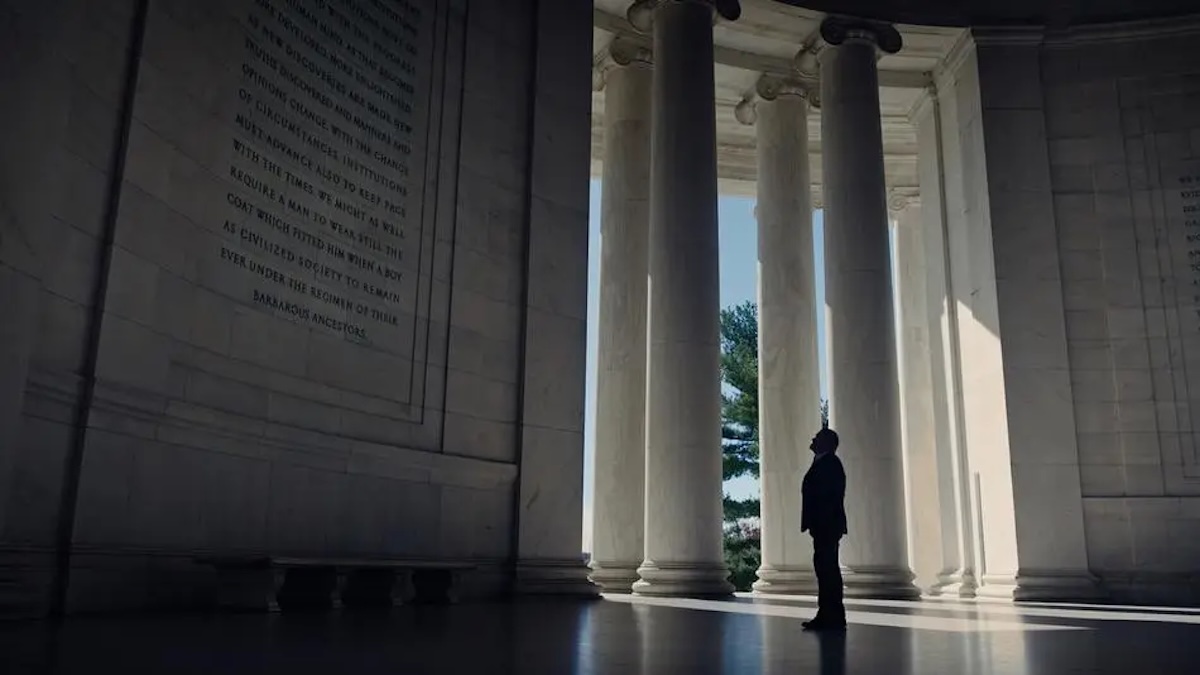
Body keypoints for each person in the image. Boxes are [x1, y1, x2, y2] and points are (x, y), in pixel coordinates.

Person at [801, 427, 847, 631]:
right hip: (825, 526)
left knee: (827, 571)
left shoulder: (829, 464)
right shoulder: (825, 463)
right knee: (826, 570)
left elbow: (828, 497)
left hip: (826, 526)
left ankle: (831, 616)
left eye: (817, 437)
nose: (812, 438)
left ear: (827, 443)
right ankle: (828, 614)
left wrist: (820, 522)